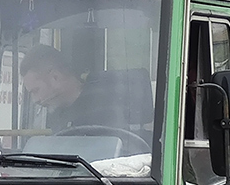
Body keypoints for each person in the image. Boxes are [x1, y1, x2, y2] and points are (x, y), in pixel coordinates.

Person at [18, 44, 150, 133]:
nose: (35, 100)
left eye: (36, 91)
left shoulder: (104, 108)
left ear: (55, 77)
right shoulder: (57, 116)